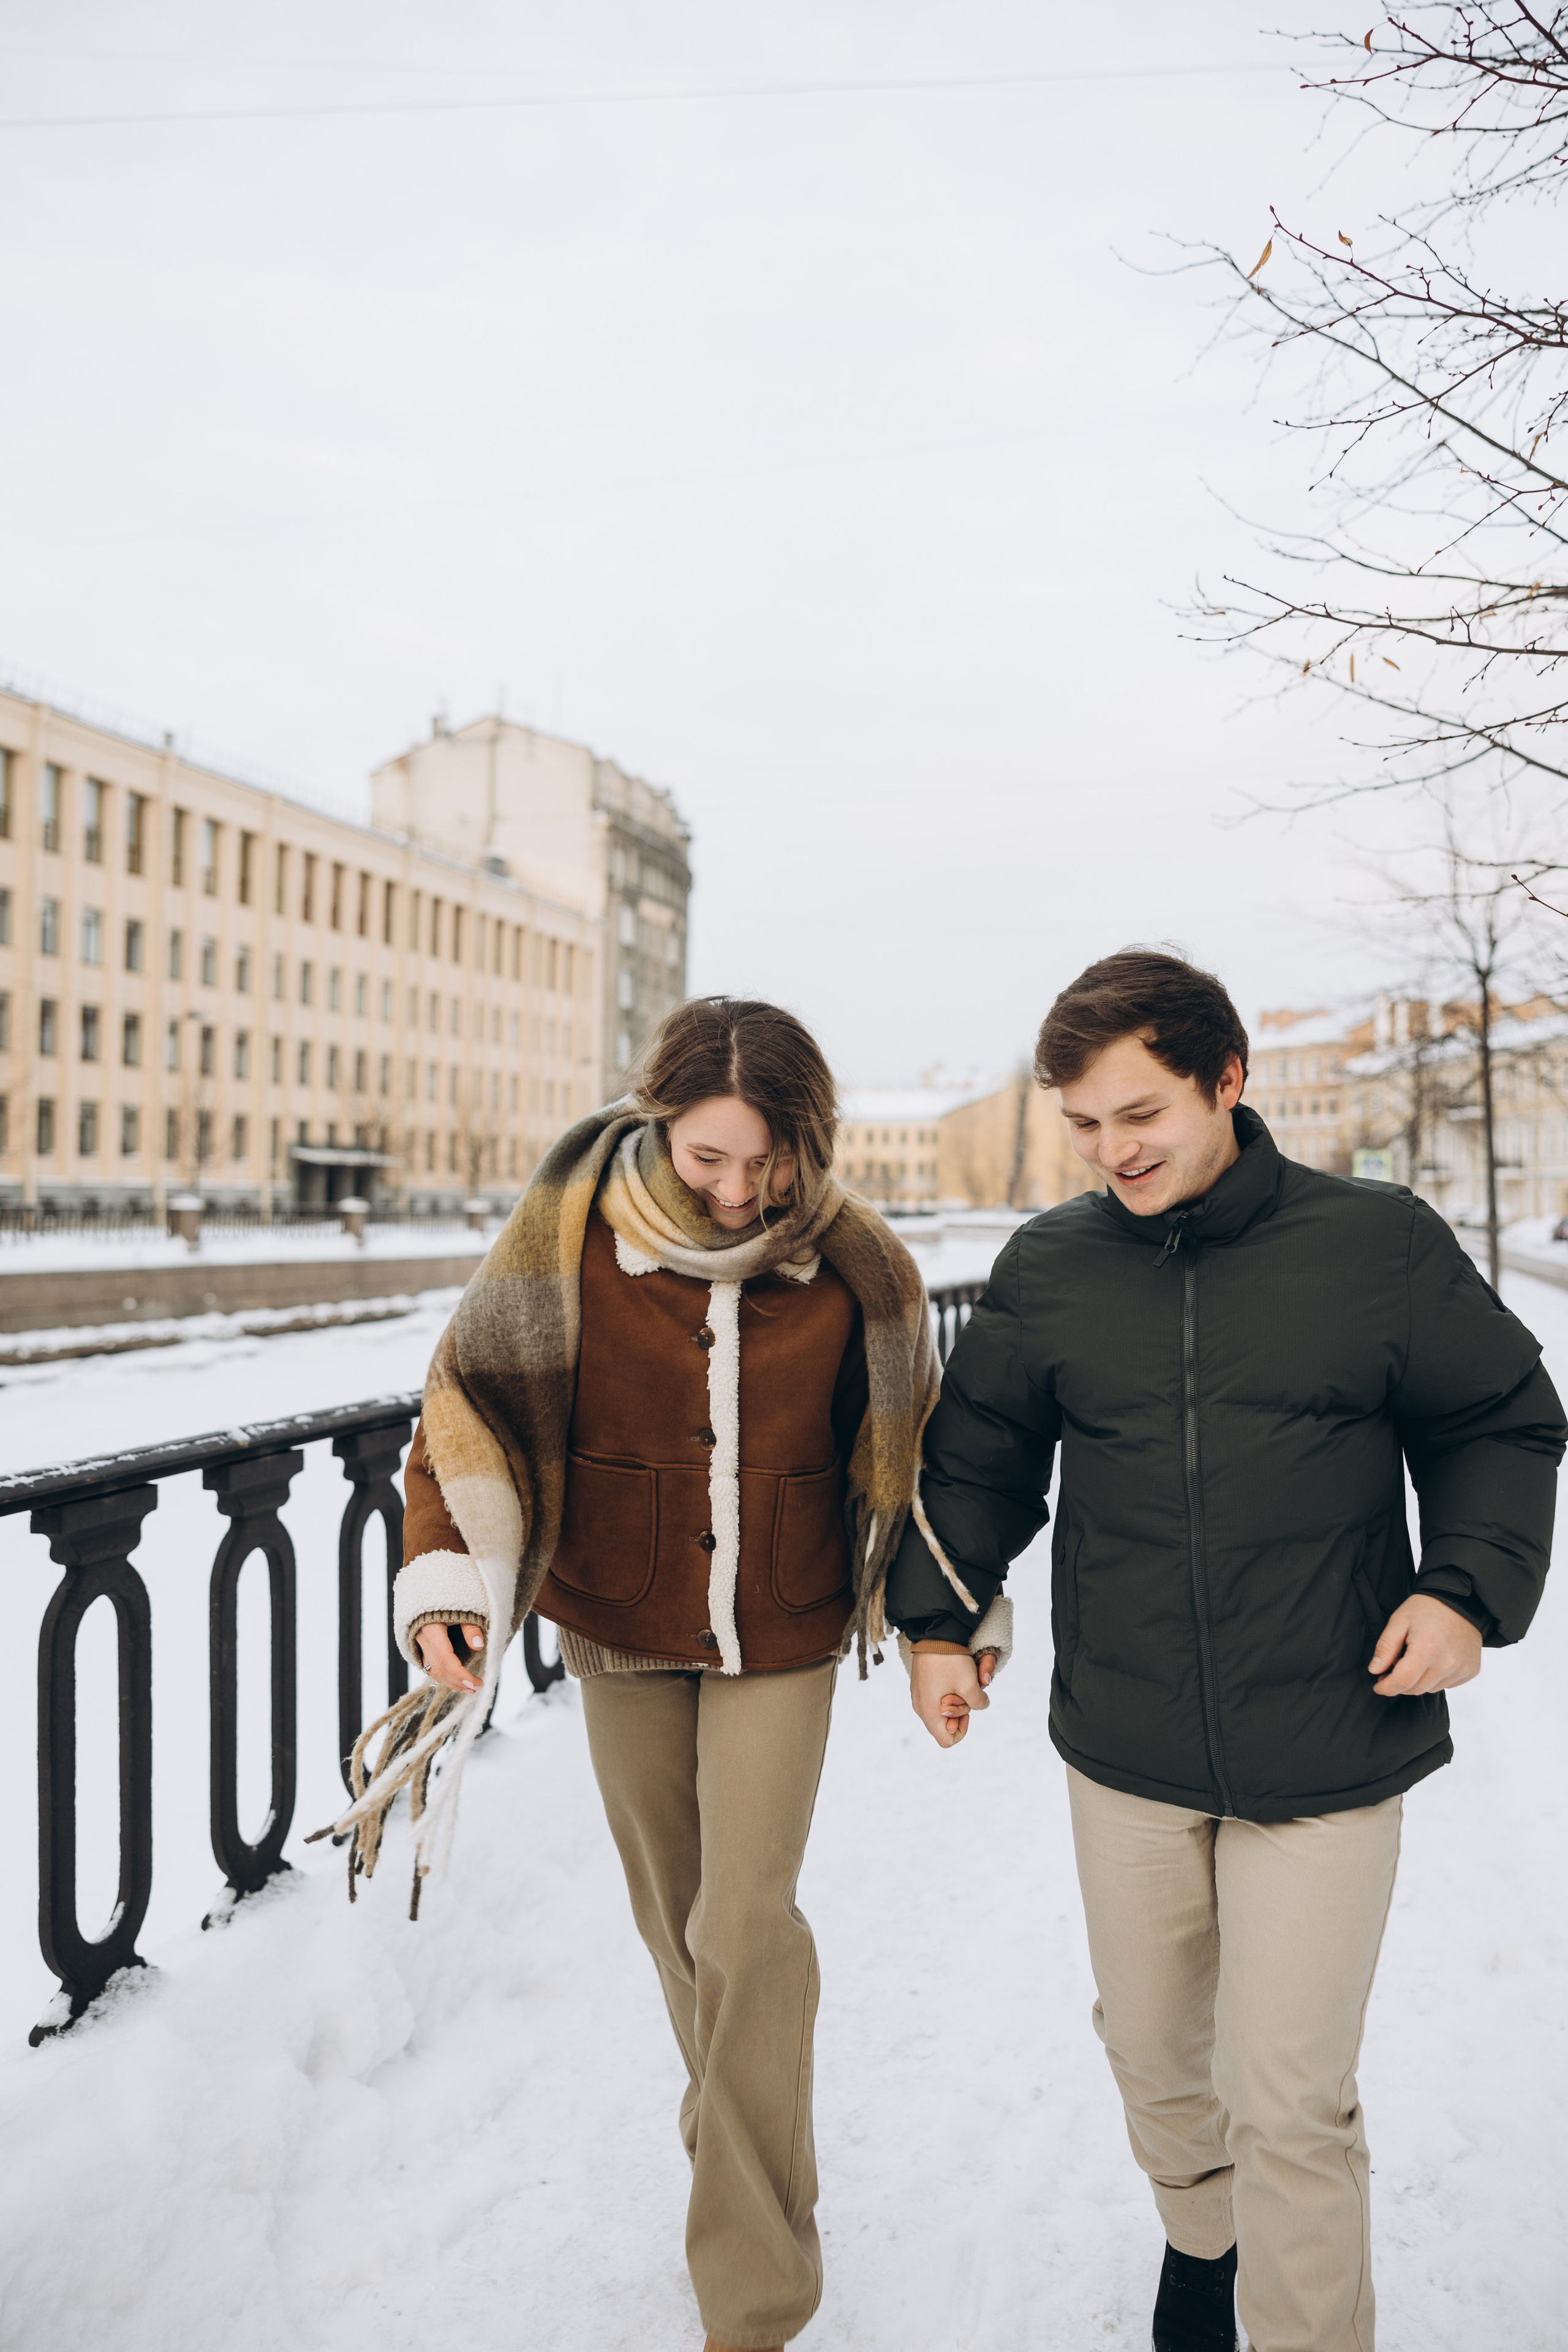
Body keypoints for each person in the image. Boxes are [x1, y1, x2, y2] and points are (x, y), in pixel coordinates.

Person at [885, 949, 1564, 2352]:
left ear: (1228, 1082)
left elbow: (1497, 1418)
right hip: (1126, 1741)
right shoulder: (1052, 1265)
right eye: (1080, 1124)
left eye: (1138, 1114)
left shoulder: (1373, 1244)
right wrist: (939, 1620)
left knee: (1289, 2097)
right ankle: (1202, 2241)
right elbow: (979, 1464)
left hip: (1328, 1735)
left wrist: (1461, 1592)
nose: (1109, 1150)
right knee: (1150, 2058)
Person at [333, 995, 1006, 2352]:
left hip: (790, 1622)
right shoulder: (563, 1243)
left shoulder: (857, 1266)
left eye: (768, 1161)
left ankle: (751, 2298)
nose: (737, 1189)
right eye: (709, 1157)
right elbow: (458, 1411)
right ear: (657, 1121)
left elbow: (921, 1463)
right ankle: (743, 2152)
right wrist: (442, 1594)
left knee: (743, 1929)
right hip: (616, 1618)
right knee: (676, 1926)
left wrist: (944, 1623)